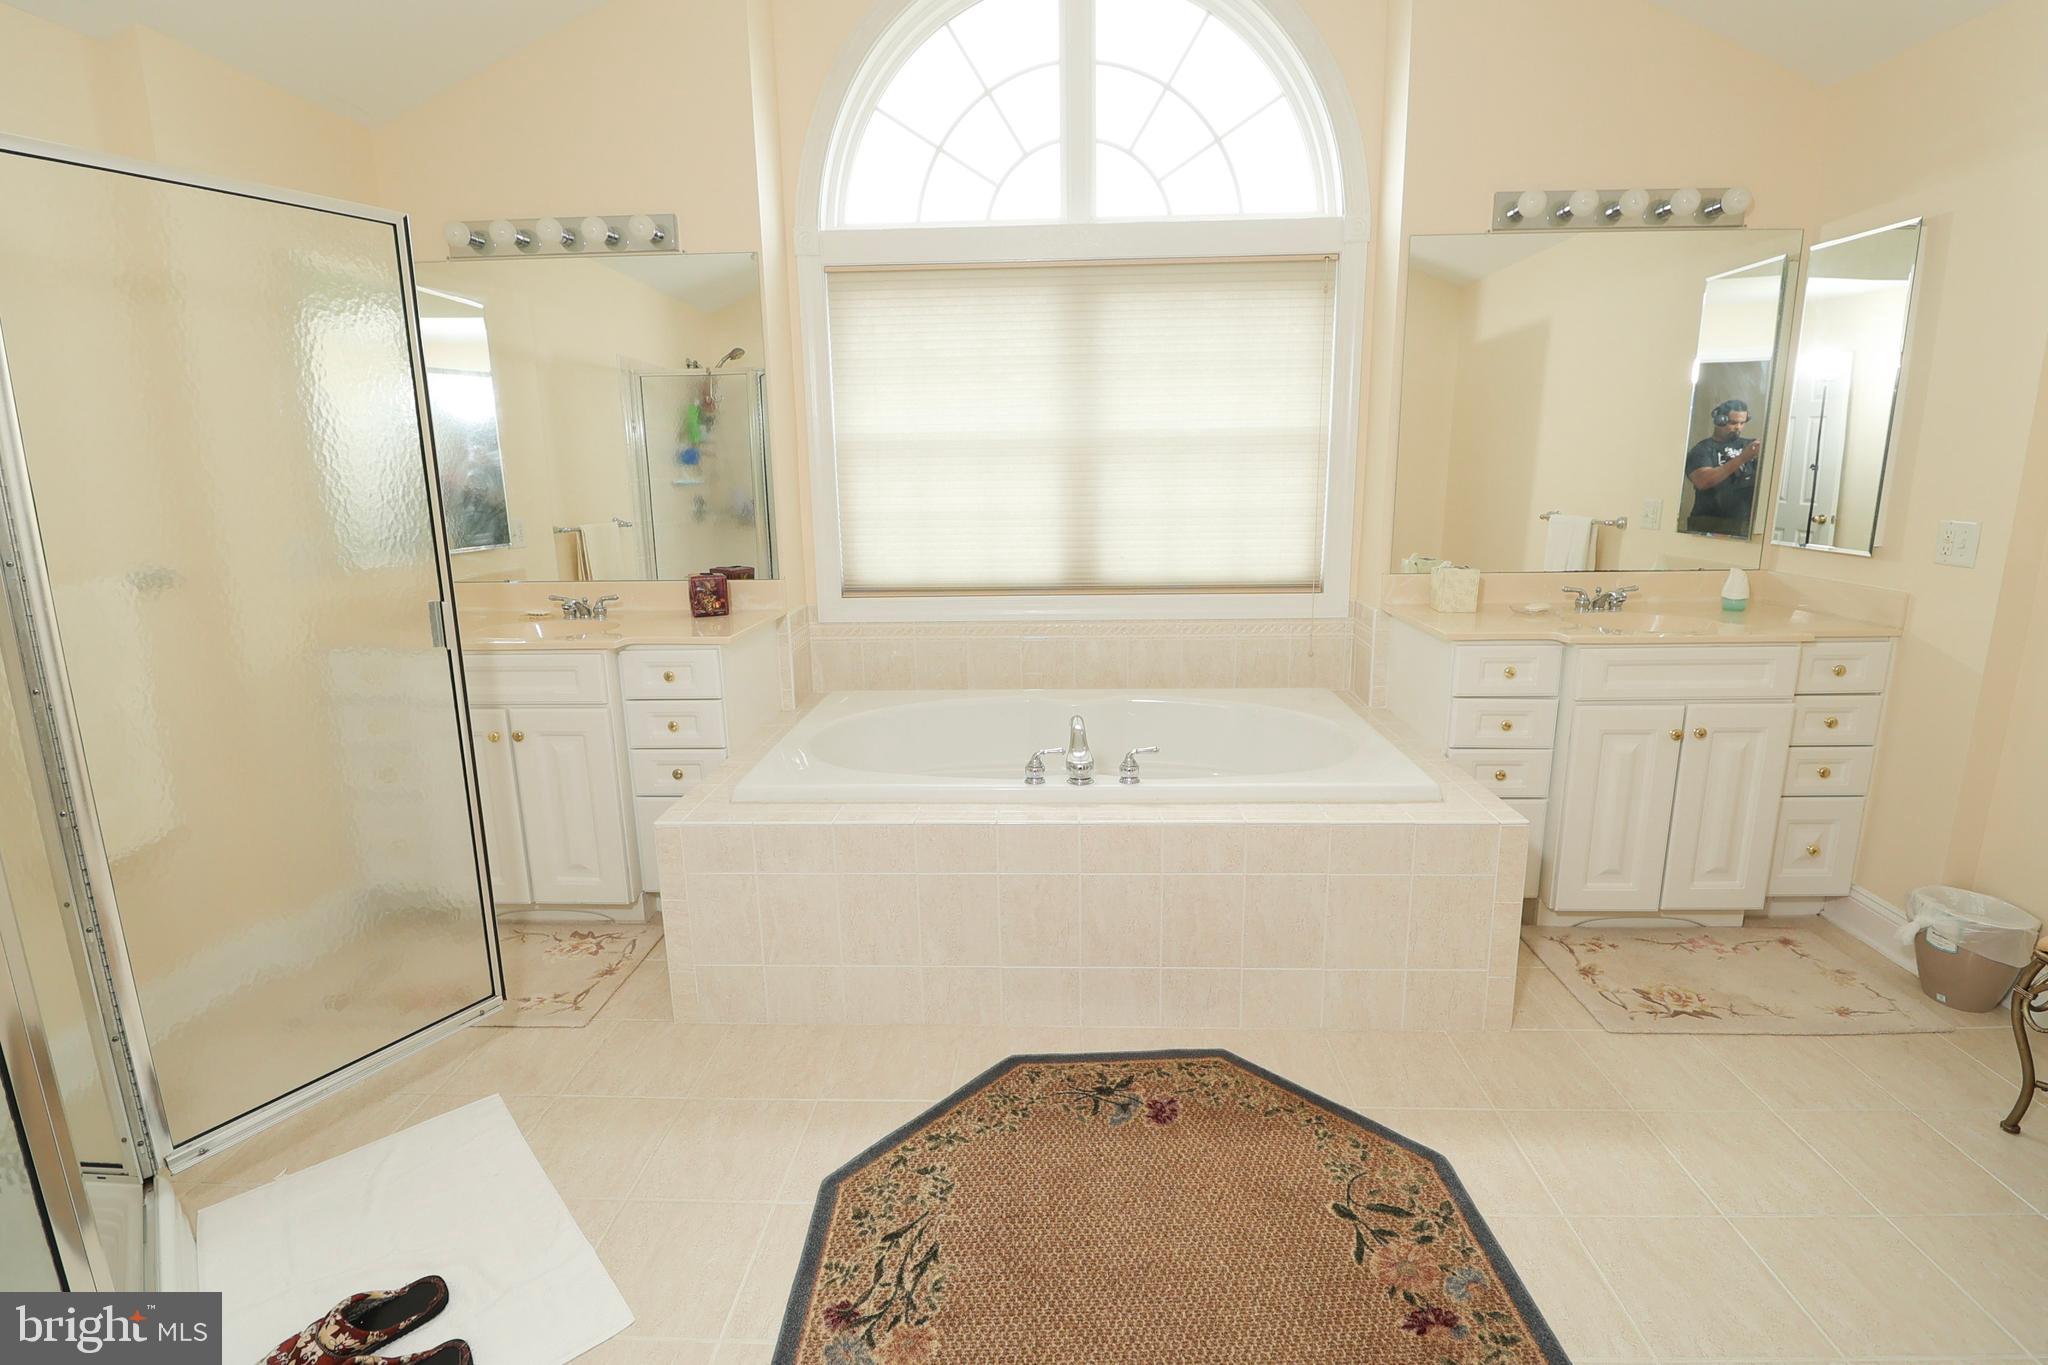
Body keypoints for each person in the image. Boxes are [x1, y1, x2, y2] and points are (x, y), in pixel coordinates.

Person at [1684, 399, 1763, 535]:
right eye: (1733, 423)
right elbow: (1703, 481)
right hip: (1707, 523)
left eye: (1742, 423)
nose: (1738, 427)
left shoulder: (1750, 446)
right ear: (1719, 421)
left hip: (1742, 524)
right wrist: (1742, 458)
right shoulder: (1702, 449)